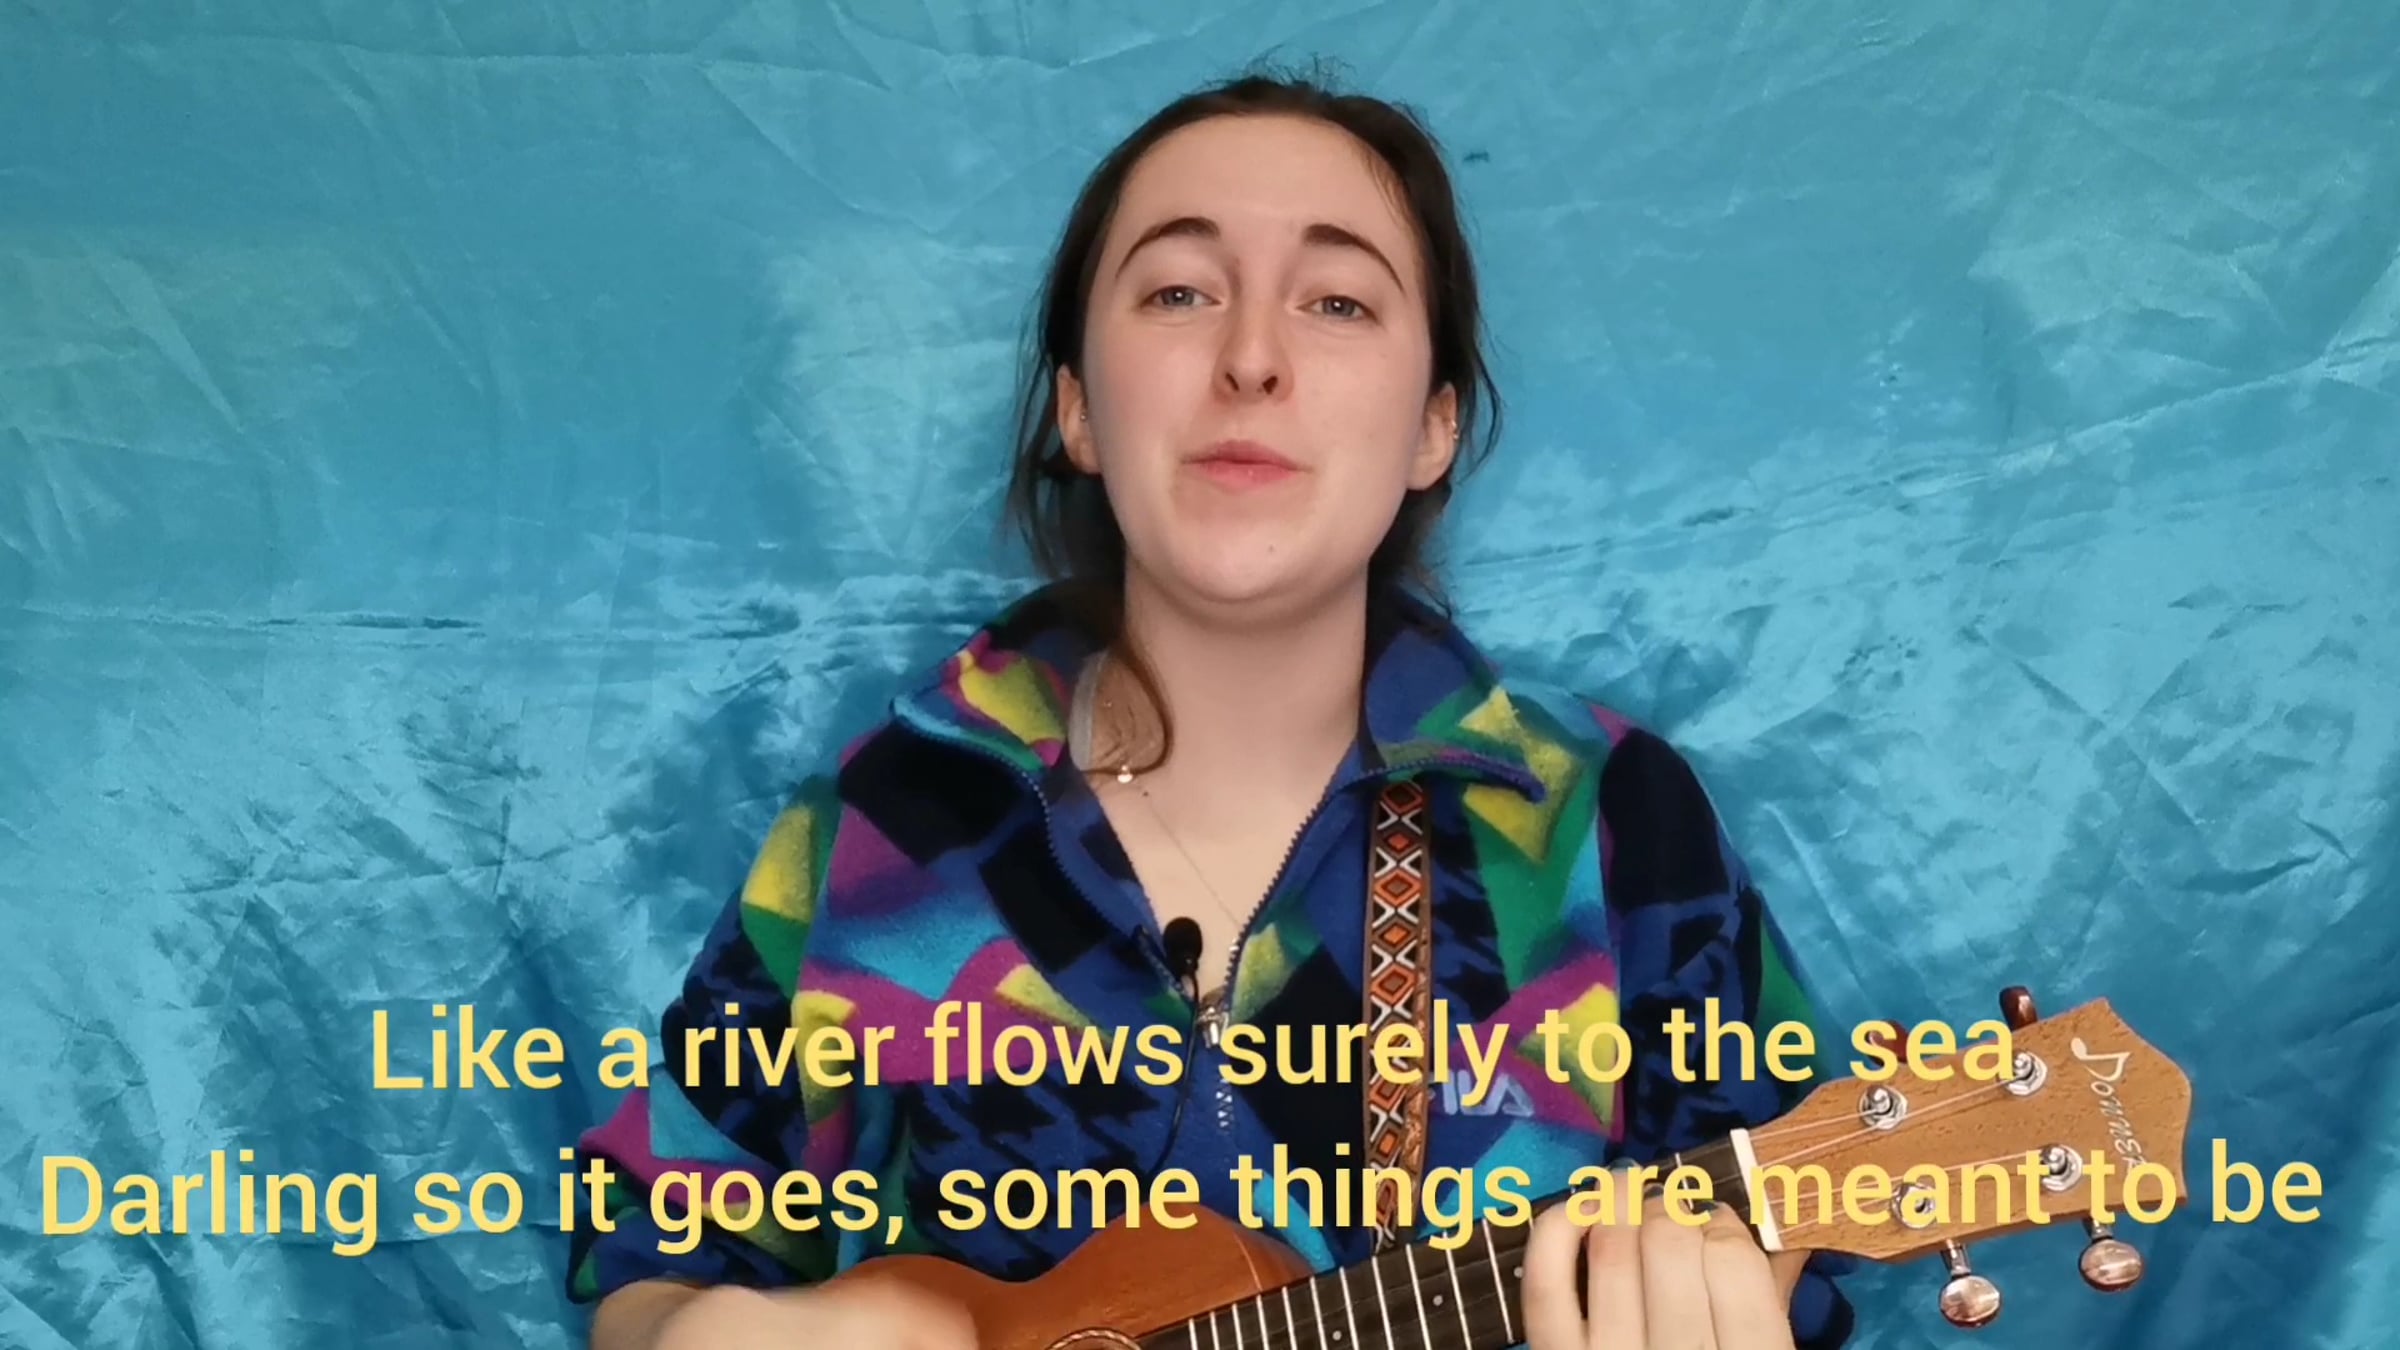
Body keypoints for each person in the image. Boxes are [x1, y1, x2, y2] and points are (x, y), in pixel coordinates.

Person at [566, 66, 1855, 1350]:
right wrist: (689, 1333)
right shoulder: (882, 821)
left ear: (1433, 428)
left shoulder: (1616, 826)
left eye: (1338, 301)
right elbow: (644, 1251)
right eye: (1179, 292)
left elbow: (1791, 1265)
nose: (1250, 359)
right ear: (1080, 407)